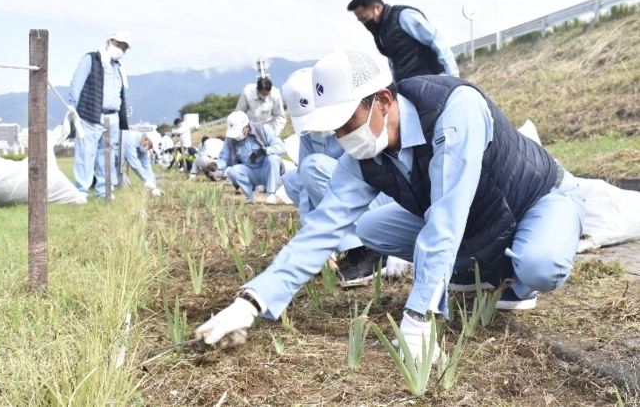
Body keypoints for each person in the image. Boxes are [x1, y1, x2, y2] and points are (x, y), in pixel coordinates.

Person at [196, 49, 585, 363]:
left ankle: (511, 277)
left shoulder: (453, 111)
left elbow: (445, 218)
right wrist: (251, 300)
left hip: (537, 196)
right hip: (481, 216)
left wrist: (419, 316)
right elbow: (319, 232)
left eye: (347, 122)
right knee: (371, 229)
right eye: (334, 128)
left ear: (383, 99)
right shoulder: (361, 157)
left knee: (539, 265)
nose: (341, 136)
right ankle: (482, 270)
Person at [281, 67, 412, 283]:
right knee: (293, 180)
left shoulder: (356, 116)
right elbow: (306, 189)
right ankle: (348, 243)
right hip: (343, 188)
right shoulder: (309, 134)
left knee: (314, 167)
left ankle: (372, 249)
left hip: (379, 194)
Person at [68, 31, 131, 199]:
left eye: (124, 47)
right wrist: (74, 112)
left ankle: (104, 192)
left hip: (113, 117)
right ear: (109, 42)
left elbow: (120, 94)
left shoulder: (119, 68)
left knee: (108, 155)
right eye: (118, 44)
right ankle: (81, 193)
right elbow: (76, 86)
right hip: (90, 114)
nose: (120, 49)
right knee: (85, 153)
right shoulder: (91, 59)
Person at [347, 0, 459, 82]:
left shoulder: (404, 16)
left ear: (377, 7)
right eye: (360, 20)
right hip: (411, 85)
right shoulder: (380, 33)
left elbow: (436, 39)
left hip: (434, 79)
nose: (364, 23)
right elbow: (393, 63)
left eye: (365, 18)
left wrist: (453, 76)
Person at [216, 111, 286, 204]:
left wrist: (263, 151)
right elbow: (225, 159)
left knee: (272, 158)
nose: (236, 136)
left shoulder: (263, 130)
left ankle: (270, 194)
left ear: (247, 127)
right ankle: (251, 193)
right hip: (249, 172)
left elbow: (281, 147)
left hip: (266, 170)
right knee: (233, 171)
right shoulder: (230, 139)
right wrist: (215, 164)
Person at [121, 129, 163, 196]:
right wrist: (146, 181)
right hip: (108, 159)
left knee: (127, 188)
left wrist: (154, 186)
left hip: (117, 165)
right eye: (150, 146)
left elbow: (147, 167)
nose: (149, 149)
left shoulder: (142, 148)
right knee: (116, 184)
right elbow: (134, 163)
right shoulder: (130, 138)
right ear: (146, 139)